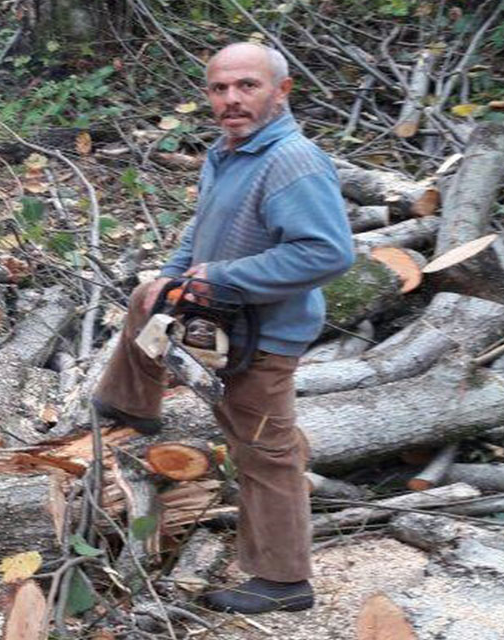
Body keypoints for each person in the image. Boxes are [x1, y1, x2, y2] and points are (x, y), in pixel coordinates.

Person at [91, 42, 354, 614]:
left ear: (281, 91)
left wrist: (228, 276)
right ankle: (129, 405)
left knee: (265, 452)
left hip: (264, 335)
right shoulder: (229, 150)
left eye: (247, 86)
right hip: (220, 316)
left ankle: (283, 581)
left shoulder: (292, 161)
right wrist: (171, 279)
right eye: (219, 88)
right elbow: (202, 227)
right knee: (145, 296)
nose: (231, 99)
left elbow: (328, 254)